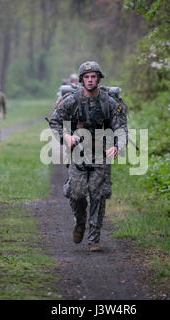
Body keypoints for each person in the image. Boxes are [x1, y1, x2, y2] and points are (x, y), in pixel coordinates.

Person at [49, 61, 128, 252]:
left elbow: (121, 128)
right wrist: (66, 136)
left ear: (99, 79)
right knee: (76, 193)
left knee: (97, 194)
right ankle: (81, 221)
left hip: (101, 153)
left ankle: (94, 239)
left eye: (93, 77)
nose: (90, 80)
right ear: (82, 79)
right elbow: (55, 122)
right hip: (78, 153)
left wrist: (117, 147)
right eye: (87, 77)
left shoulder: (109, 102)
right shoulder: (71, 100)